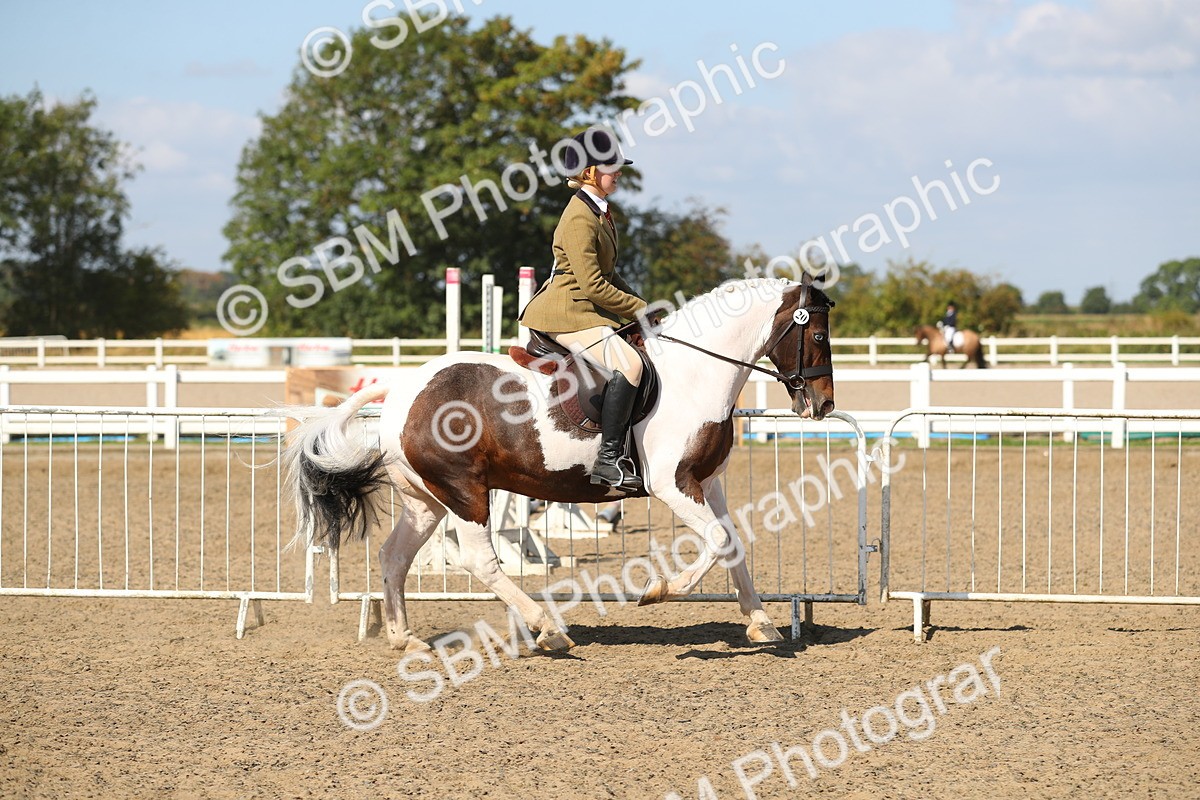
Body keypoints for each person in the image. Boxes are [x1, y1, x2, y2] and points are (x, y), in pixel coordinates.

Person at [519, 127, 647, 492]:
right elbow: (592, 285)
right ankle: (608, 461)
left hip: (585, 309)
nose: (619, 172)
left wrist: (643, 304)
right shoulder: (579, 216)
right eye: (612, 167)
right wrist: (637, 309)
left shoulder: (599, 211)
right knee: (631, 364)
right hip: (566, 312)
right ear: (590, 171)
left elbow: (610, 273)